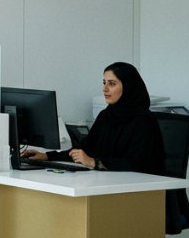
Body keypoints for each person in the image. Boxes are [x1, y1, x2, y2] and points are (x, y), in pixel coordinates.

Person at [23, 62, 167, 173]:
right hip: (109, 183)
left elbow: (137, 164)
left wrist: (94, 162)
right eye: (104, 83)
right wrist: (47, 156)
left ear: (128, 86)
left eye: (112, 84)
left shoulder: (143, 120)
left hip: (141, 190)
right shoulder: (107, 115)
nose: (105, 89)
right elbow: (85, 149)